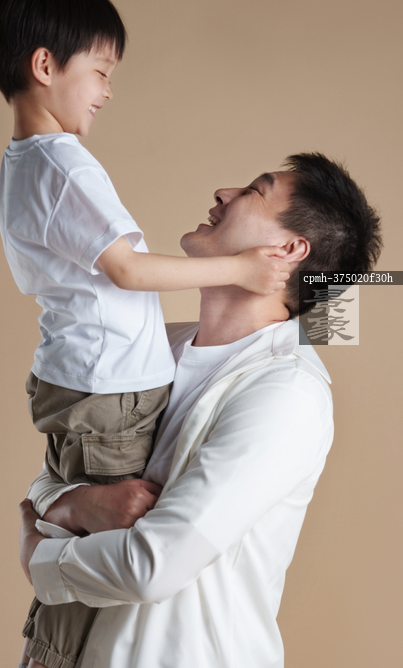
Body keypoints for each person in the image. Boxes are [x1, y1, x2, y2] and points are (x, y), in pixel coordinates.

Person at [0, 0, 289, 668]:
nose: (108, 90)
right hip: (105, 386)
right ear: (44, 65)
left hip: (87, 379)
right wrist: (240, 269)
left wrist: (51, 512)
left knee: (87, 529)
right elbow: (126, 269)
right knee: (98, 547)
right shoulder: (63, 165)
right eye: (100, 71)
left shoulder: (25, 163)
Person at [19, 152, 382, 668]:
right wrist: (74, 505)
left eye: (255, 190)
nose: (223, 192)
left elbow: (152, 567)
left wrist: (37, 556)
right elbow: (56, 470)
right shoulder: (152, 346)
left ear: (289, 250)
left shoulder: (288, 392)